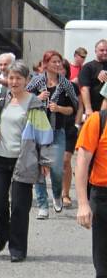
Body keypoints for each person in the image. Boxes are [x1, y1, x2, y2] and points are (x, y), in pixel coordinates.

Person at [0, 60, 53, 263]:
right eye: (11, 78)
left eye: (18, 78)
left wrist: (45, 161)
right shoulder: (1, 97)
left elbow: (44, 133)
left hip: (24, 160)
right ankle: (3, 232)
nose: (13, 82)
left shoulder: (34, 103)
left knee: (20, 206)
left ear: (27, 80)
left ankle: (17, 248)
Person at [27, 50, 79, 218]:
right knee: (39, 168)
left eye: (60, 62)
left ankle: (57, 194)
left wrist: (59, 108)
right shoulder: (36, 82)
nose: (58, 65)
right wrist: (38, 98)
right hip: (37, 130)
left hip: (57, 130)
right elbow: (21, 100)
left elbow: (74, 107)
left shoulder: (66, 84)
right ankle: (42, 204)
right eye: (54, 62)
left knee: (57, 169)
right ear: (46, 64)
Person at [74, 108, 107, 278]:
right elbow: (82, 163)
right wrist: (83, 204)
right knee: (105, 269)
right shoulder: (98, 120)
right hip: (103, 197)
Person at [62, 59, 80, 208]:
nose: (59, 70)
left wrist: (77, 123)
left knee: (66, 161)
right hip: (51, 128)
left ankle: (65, 194)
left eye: (62, 68)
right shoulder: (45, 86)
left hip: (69, 127)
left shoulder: (72, 86)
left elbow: (79, 106)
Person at [79, 39, 107, 117]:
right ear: (96, 51)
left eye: (106, 50)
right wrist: (88, 109)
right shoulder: (88, 67)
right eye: (102, 50)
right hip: (94, 110)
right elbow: (84, 89)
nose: (105, 52)